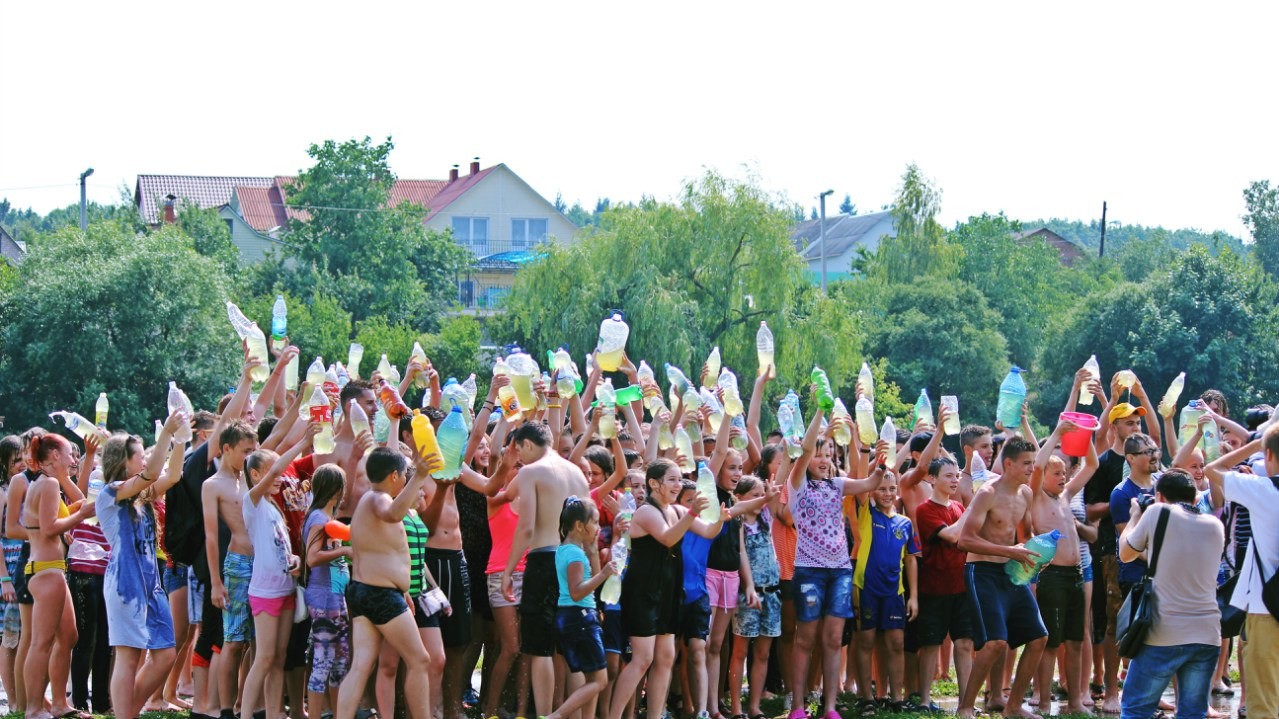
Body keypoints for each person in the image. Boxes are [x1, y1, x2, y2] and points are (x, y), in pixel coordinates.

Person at [786, 400, 888, 719]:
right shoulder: (798, 485)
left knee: (833, 639)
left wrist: (873, 455)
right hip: (809, 572)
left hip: (841, 571)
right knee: (805, 638)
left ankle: (829, 707)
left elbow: (870, 484)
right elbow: (803, 450)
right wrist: (821, 412)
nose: (824, 459)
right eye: (819, 453)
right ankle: (799, 706)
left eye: (829, 453)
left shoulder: (837, 485)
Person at [606, 459, 723, 719]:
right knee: (642, 659)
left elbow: (708, 532)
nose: (677, 485)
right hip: (643, 591)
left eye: (679, 479)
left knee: (667, 657)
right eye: (672, 480)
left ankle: (654, 716)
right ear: (654, 483)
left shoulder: (679, 511)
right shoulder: (646, 512)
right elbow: (668, 537)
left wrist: (720, 519)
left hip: (668, 591)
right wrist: (693, 513)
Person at [97, 414, 189, 719]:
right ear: (125, 461)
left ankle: (126, 713)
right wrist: (166, 434)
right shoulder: (110, 494)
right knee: (129, 656)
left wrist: (179, 441)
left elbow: (173, 475)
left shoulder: (142, 495)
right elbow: (152, 473)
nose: (144, 459)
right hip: (126, 586)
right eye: (139, 454)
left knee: (164, 655)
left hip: (151, 586)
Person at [334, 447, 435, 719]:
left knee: (362, 665)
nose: (406, 479)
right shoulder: (378, 498)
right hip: (378, 594)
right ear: (395, 476)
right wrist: (420, 477)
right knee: (420, 660)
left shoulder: (371, 499)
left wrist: (401, 591)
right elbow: (392, 514)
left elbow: (384, 552)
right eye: (405, 475)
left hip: (369, 591)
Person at [1117, 469, 1223, 719]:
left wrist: (1134, 515)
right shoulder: (1215, 525)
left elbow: (1126, 553)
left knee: (1136, 709)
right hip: (1207, 635)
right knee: (1193, 713)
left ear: (1160, 496)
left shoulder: (1157, 512)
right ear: (1195, 499)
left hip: (1164, 634)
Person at [501, 422, 591, 718]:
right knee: (571, 650)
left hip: (545, 560)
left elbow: (526, 528)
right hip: (576, 560)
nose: (518, 458)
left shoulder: (531, 472)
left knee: (540, 649)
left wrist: (508, 571)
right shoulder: (577, 472)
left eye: (518, 450)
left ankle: (543, 715)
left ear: (527, 444)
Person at [956, 436, 1047, 719]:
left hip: (1011, 571)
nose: (1032, 469)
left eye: (1033, 463)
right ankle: (965, 707)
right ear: (1008, 464)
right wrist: (1011, 550)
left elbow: (1025, 534)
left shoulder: (1026, 494)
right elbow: (964, 540)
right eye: (1026, 464)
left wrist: (1037, 553)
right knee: (995, 643)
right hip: (981, 572)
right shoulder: (987, 493)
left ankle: (1013, 706)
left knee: (1039, 637)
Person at [239, 431, 316, 719]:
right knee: (265, 657)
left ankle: (273, 714)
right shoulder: (252, 502)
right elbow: (276, 468)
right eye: (274, 472)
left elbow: (280, 549)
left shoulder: (273, 508)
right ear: (256, 473)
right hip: (265, 593)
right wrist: (303, 442)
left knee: (280, 658)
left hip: (286, 589)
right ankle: (246, 714)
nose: (281, 477)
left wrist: (295, 561)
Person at [1206, 425, 1279, 719]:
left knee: (1264, 697)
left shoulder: (1263, 489)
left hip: (1267, 606)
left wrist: (1253, 444)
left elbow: (1213, 469)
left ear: (1269, 454)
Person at [22, 432, 95, 719]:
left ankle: (59, 704)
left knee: (68, 636)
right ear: (54, 456)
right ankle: (33, 708)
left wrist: (80, 508)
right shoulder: (49, 483)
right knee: (42, 642)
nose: (72, 458)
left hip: (53, 570)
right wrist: (81, 514)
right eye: (69, 454)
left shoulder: (50, 483)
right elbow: (51, 527)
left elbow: (73, 506)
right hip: (45, 570)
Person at [1029, 420, 1098, 714]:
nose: (1063, 477)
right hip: (1052, 576)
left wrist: (1086, 434)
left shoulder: (1066, 496)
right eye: (1056, 473)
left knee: (1076, 640)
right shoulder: (1036, 497)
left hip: (1076, 574)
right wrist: (1057, 433)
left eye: (1065, 473)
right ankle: (1044, 701)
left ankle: (1073, 702)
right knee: (1050, 643)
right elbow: (1036, 465)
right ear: (1044, 475)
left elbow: (1091, 465)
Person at [201, 420, 259, 719]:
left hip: (262, 562)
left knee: (256, 641)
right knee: (233, 640)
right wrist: (215, 582)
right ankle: (225, 709)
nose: (250, 456)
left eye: (254, 450)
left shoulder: (250, 478)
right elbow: (211, 536)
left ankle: (245, 706)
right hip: (236, 563)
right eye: (245, 450)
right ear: (226, 449)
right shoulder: (213, 485)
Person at [852, 472, 920, 708]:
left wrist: (913, 597)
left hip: (894, 592)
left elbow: (911, 559)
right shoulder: (866, 513)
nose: (887, 494)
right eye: (881, 488)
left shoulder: (905, 522)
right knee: (866, 641)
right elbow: (859, 481)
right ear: (871, 490)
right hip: (866, 587)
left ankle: (897, 698)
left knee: (896, 643)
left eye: (892, 489)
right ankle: (866, 698)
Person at [913, 457, 974, 712]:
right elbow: (951, 535)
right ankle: (925, 700)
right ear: (932, 479)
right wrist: (973, 507)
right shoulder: (924, 509)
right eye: (948, 476)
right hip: (934, 588)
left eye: (956, 476)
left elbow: (967, 539)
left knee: (964, 644)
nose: (954, 480)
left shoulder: (959, 508)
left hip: (961, 587)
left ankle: (965, 702)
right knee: (930, 644)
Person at [548, 496, 614, 719]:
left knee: (590, 679)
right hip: (580, 618)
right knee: (599, 680)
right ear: (579, 525)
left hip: (571, 617)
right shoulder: (575, 554)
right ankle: (555, 716)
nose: (598, 527)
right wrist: (604, 574)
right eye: (594, 522)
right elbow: (577, 592)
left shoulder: (565, 549)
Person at [726, 476, 782, 719]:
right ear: (740, 498)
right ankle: (737, 708)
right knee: (740, 652)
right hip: (748, 595)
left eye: (764, 493)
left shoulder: (766, 518)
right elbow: (742, 556)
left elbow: (778, 485)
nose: (762, 498)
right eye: (755, 495)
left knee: (763, 652)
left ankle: (755, 706)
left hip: (772, 593)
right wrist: (749, 586)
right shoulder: (738, 522)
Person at [301, 464, 351, 719]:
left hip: (336, 596)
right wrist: (344, 551)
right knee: (323, 660)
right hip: (323, 596)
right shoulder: (319, 519)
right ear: (336, 489)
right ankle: (316, 714)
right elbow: (312, 558)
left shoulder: (327, 517)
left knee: (340, 660)